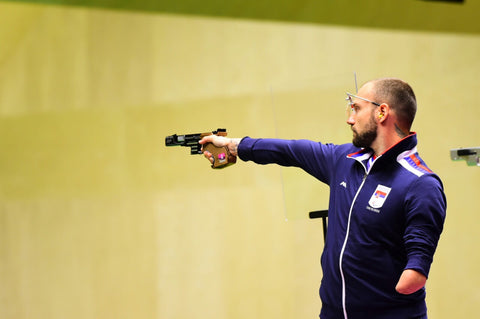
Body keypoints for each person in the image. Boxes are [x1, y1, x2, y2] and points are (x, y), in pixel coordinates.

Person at [199, 78, 446, 319]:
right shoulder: (345, 159)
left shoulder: (420, 183)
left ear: (382, 112)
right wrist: (232, 145)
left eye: (356, 108)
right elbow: (291, 150)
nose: (350, 119)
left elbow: (416, 270)